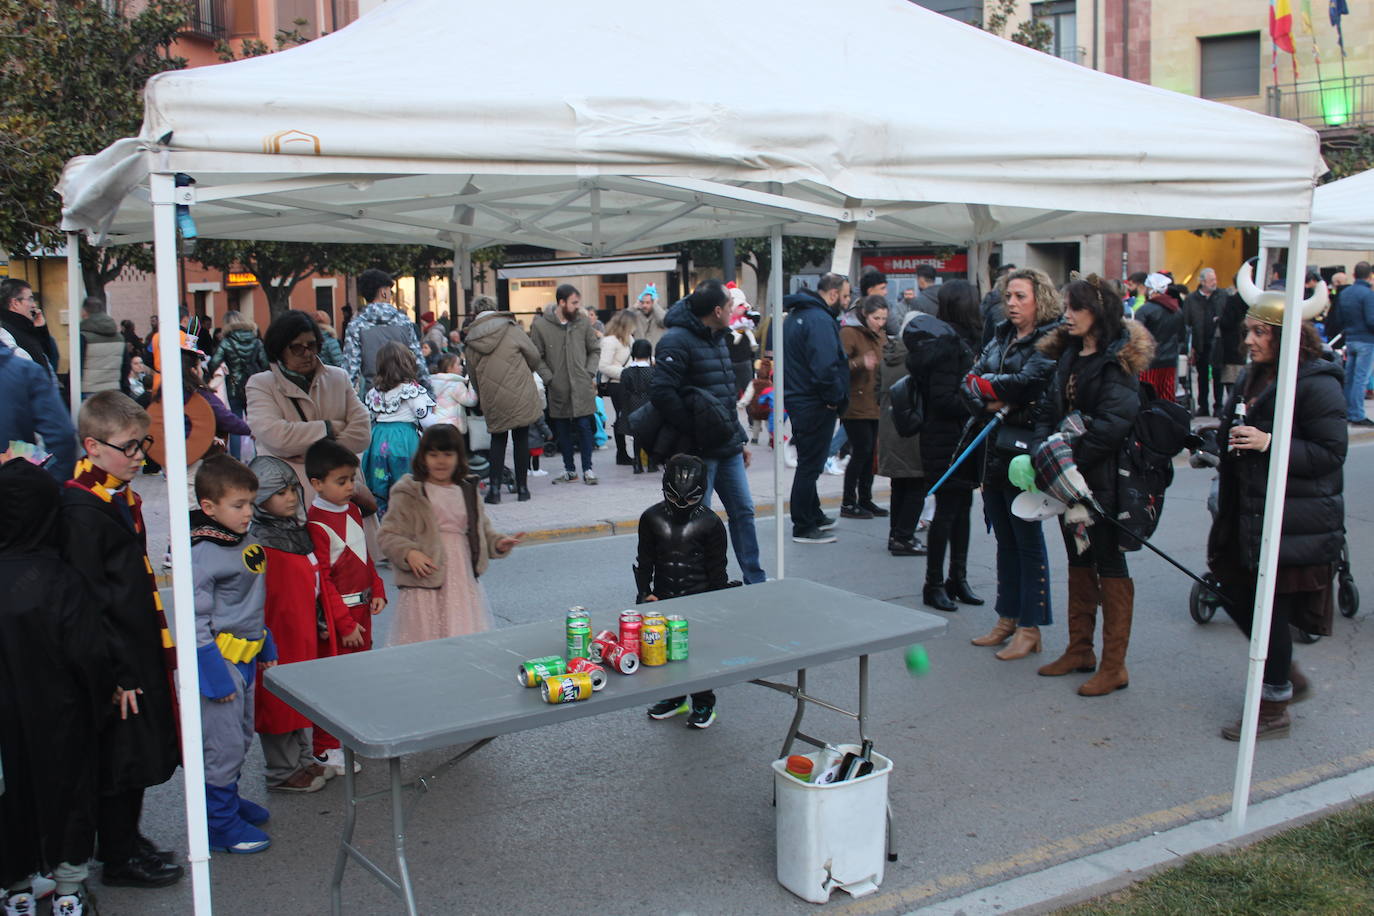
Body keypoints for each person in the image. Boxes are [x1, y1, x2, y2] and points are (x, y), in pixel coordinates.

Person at [1207, 276, 1345, 740]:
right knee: (1233, 591)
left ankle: (1275, 705)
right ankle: (1286, 679)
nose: (1247, 340)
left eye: (1258, 332)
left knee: (1271, 609)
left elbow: (1330, 454)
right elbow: (1237, 433)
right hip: (1246, 512)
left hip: (1292, 519)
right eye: (1248, 330)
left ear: (1287, 336)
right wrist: (1212, 446)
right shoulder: (1252, 375)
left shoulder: (1316, 381)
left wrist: (1271, 443)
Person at [61, 392, 183, 889]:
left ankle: (126, 837)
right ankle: (117, 855)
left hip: (137, 647)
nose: (139, 456)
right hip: (118, 661)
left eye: (143, 445)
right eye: (129, 447)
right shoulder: (82, 509)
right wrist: (118, 673)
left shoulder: (112, 493)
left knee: (135, 755)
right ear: (92, 446)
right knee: (121, 762)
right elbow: (91, 602)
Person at [0, 459, 112, 916]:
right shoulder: (61, 579)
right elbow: (88, 654)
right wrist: (101, 697)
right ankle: (69, 890)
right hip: (60, 715)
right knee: (68, 795)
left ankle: (17, 890)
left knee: (9, 801)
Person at [1033, 277, 1152, 693]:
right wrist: (1047, 453)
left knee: (1110, 563)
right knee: (1079, 559)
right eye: (1067, 306)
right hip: (1069, 482)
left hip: (1104, 484)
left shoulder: (1116, 363)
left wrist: (1068, 461)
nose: (1067, 314)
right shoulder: (1068, 354)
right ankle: (1079, 649)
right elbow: (1049, 409)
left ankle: (1114, 665)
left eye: (1076, 307)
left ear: (1097, 313)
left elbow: (1112, 427)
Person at [962, 268, 1061, 655]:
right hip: (992, 446)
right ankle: (1007, 616)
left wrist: (993, 389)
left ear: (1040, 299)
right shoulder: (1001, 333)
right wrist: (992, 397)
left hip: (1024, 448)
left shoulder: (1050, 338)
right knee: (1004, 538)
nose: (1013, 304)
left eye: (1021, 296)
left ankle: (1031, 626)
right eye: (1009, 297)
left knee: (1026, 538)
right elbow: (968, 381)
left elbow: (1029, 384)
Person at [651, 279, 767, 584]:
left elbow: (726, 395)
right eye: (730, 305)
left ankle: (755, 579)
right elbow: (662, 392)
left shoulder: (718, 336)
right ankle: (694, 583)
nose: (734, 310)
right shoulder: (676, 340)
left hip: (726, 447)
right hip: (698, 451)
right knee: (695, 521)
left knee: (744, 512)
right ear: (717, 311)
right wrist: (693, 430)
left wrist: (739, 439)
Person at [189, 455, 276, 854]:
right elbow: (194, 617)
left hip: (244, 657)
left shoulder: (241, 538)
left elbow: (247, 600)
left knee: (240, 738)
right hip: (220, 663)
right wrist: (213, 674)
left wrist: (264, 640)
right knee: (221, 746)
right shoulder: (204, 552)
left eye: (250, 503)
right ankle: (219, 823)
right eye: (238, 505)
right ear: (209, 507)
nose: (247, 513)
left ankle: (228, 803)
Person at [379, 425, 521, 646]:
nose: (440, 461)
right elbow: (387, 534)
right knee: (425, 640)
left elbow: (481, 529)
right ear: (423, 456)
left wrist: (498, 543)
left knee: (462, 637)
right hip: (425, 580)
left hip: (460, 578)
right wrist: (408, 553)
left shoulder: (466, 489)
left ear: (459, 456)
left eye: (447, 454)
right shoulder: (409, 491)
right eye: (433, 454)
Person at [247, 456, 340, 794]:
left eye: (291, 490)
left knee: (300, 693)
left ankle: (301, 759)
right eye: (279, 492)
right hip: (276, 633)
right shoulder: (257, 542)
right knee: (277, 701)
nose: (289, 497)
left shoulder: (295, 532)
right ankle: (282, 770)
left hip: (300, 629)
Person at [305, 438, 386, 775]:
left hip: (362, 611)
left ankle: (351, 735)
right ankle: (325, 748)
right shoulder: (315, 523)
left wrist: (378, 587)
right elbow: (324, 581)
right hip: (340, 621)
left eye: (352, 479)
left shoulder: (352, 509)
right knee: (334, 683)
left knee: (359, 679)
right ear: (316, 484)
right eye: (341, 481)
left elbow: (364, 556)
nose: (351, 487)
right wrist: (344, 624)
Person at [639, 455, 733, 730]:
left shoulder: (711, 523)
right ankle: (673, 698)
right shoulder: (651, 518)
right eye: (675, 498)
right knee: (663, 654)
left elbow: (718, 568)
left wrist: (718, 602)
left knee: (698, 657)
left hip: (700, 597)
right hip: (663, 597)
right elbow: (645, 560)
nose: (681, 506)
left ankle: (704, 702)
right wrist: (644, 592)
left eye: (689, 500)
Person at [905, 280, 983, 608]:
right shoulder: (948, 344)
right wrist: (981, 401)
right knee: (948, 511)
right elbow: (943, 398)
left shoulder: (957, 341)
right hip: (947, 438)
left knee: (962, 508)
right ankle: (934, 583)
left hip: (960, 436)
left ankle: (957, 578)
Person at [246, 310, 371, 496]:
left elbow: (362, 433)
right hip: (291, 493)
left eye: (312, 345)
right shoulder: (261, 385)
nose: (307, 353)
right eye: (297, 348)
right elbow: (277, 437)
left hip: (344, 493)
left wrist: (308, 453)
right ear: (280, 349)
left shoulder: (338, 378)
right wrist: (328, 428)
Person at [782, 272, 850, 544]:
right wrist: (833, 397)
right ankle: (803, 524)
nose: (846, 301)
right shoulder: (818, 319)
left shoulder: (798, 316)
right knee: (810, 464)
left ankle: (813, 514)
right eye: (845, 296)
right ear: (832, 294)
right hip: (813, 401)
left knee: (809, 461)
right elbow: (824, 367)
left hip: (801, 398)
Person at [463, 296, 544, 504]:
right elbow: (534, 356)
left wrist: (482, 393)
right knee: (521, 438)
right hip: (520, 390)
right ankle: (523, 489)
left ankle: (495, 491)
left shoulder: (471, 339)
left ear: (475, 313)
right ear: (495, 309)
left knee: (498, 440)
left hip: (492, 396)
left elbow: (471, 373)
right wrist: (523, 371)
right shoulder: (512, 328)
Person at [530, 284, 601, 485]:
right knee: (562, 430)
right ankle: (569, 469)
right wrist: (549, 378)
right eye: (574, 303)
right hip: (558, 388)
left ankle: (588, 469)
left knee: (585, 427)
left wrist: (588, 372)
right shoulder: (541, 326)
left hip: (582, 385)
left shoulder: (583, 322)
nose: (578, 307)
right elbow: (536, 357)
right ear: (561, 302)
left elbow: (594, 349)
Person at [363, 341, 439, 515]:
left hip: (378, 440)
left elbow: (369, 418)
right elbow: (426, 421)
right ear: (407, 364)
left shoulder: (374, 393)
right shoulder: (412, 390)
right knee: (406, 484)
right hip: (404, 441)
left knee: (381, 483)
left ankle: (384, 520)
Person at [876, 312, 927, 557]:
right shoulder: (918, 358)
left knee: (899, 483)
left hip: (888, 424)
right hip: (912, 427)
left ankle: (896, 533)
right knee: (916, 481)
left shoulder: (887, 354)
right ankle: (904, 536)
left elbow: (878, 389)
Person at [838, 295, 890, 519]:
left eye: (884, 318)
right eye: (876, 318)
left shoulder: (881, 335)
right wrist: (860, 362)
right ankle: (848, 502)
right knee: (861, 450)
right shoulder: (849, 332)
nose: (880, 322)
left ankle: (866, 499)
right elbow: (838, 365)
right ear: (865, 315)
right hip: (855, 403)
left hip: (875, 402)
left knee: (870, 454)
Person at [342, 268, 430, 394]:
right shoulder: (403, 321)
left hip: (374, 396)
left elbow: (350, 369)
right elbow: (418, 362)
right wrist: (429, 393)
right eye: (390, 290)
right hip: (406, 394)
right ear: (383, 292)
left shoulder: (356, 325)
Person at [0, 342, 76, 480]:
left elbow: (61, 436)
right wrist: (53, 486)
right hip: (15, 488)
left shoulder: (25, 371)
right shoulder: (25, 371)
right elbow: (61, 436)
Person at [207, 311, 268, 459]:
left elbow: (213, 363)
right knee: (256, 424)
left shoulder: (226, 342)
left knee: (234, 424)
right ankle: (259, 457)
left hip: (234, 386)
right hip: (254, 386)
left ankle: (236, 460)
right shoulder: (256, 341)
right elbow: (265, 364)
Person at [1133, 273, 1183, 403]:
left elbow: (1137, 337)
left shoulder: (1144, 310)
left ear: (1152, 290)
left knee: (1147, 397)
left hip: (1149, 362)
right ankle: (1167, 421)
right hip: (1170, 361)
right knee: (1167, 397)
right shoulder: (1177, 310)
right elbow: (1182, 335)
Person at [1183, 268, 1226, 416]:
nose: (1215, 282)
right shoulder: (1191, 299)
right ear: (1202, 282)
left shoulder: (1222, 295)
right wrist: (1190, 347)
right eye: (1211, 280)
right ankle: (1203, 406)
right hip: (1200, 343)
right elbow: (1187, 322)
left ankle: (1218, 406)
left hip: (1218, 343)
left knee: (1218, 375)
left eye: (1215, 279)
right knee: (1201, 376)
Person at [1336, 261, 1374, 426]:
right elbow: (1371, 320)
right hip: (1366, 340)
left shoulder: (1345, 293)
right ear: (1370, 276)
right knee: (1361, 379)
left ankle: (1346, 411)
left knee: (1350, 378)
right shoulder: (1368, 294)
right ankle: (1357, 414)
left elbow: (1339, 318)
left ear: (1354, 274)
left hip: (1350, 338)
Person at [599, 309, 637, 467]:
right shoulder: (610, 341)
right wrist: (627, 373)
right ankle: (621, 453)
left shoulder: (629, 339)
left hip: (630, 383)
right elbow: (603, 366)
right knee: (621, 417)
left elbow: (635, 357)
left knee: (629, 416)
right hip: (617, 384)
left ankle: (629, 453)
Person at [0, 279, 56, 380]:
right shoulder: (5, 332)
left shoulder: (24, 328)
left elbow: (46, 358)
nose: (34, 305)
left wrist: (41, 329)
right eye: (30, 299)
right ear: (15, 303)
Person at [620, 339, 654, 473]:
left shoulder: (626, 372)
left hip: (632, 405)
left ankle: (637, 463)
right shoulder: (653, 371)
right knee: (650, 435)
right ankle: (651, 462)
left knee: (636, 436)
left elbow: (623, 392)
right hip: (649, 406)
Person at [80, 297, 125, 396]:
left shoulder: (83, 337)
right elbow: (126, 366)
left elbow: (77, 367)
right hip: (114, 391)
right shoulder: (120, 337)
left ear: (85, 312)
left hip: (88, 391)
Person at [430, 353, 477, 433]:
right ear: (449, 368)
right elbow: (471, 401)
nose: (461, 367)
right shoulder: (455, 384)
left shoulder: (433, 382)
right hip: (452, 427)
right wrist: (471, 383)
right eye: (458, 365)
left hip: (436, 424)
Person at [629, 284, 667, 351]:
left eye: (647, 303)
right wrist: (633, 307)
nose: (644, 305)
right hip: (640, 355)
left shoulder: (660, 313)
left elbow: (664, 321)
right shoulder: (636, 315)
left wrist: (655, 305)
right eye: (642, 302)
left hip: (656, 353)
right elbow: (621, 321)